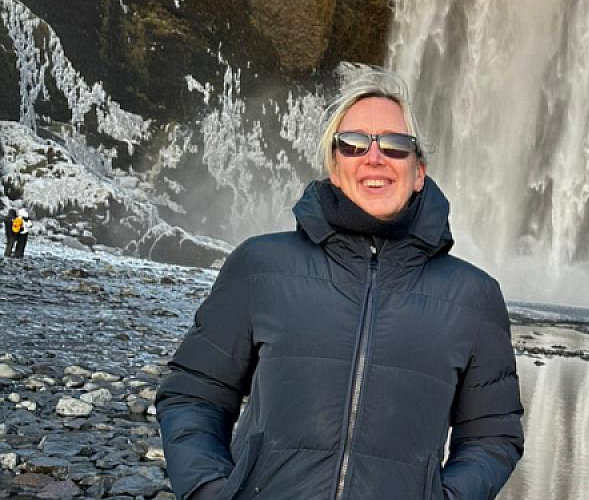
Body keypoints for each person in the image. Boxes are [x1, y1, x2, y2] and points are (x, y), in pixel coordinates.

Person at [155, 68, 524, 500]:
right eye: (353, 144)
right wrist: (209, 490)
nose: (374, 157)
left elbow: (493, 437)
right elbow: (191, 395)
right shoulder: (260, 266)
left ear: (419, 171)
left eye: (395, 145)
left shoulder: (474, 297)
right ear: (333, 165)